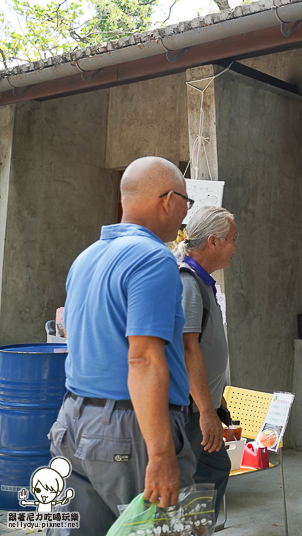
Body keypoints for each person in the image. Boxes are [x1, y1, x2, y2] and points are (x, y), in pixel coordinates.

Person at [47, 157, 196, 535]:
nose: (184, 214)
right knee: (159, 527)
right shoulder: (153, 259)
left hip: (74, 421)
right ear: (167, 200)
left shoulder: (87, 257)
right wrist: (161, 454)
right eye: (186, 202)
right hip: (129, 430)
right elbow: (143, 358)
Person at [172, 206, 237, 523]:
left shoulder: (200, 281)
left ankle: (195, 529)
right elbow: (188, 349)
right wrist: (206, 410)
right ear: (213, 241)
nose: (234, 247)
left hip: (202, 405)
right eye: (231, 239)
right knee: (195, 479)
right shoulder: (189, 283)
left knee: (214, 468)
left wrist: (216, 394)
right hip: (190, 411)